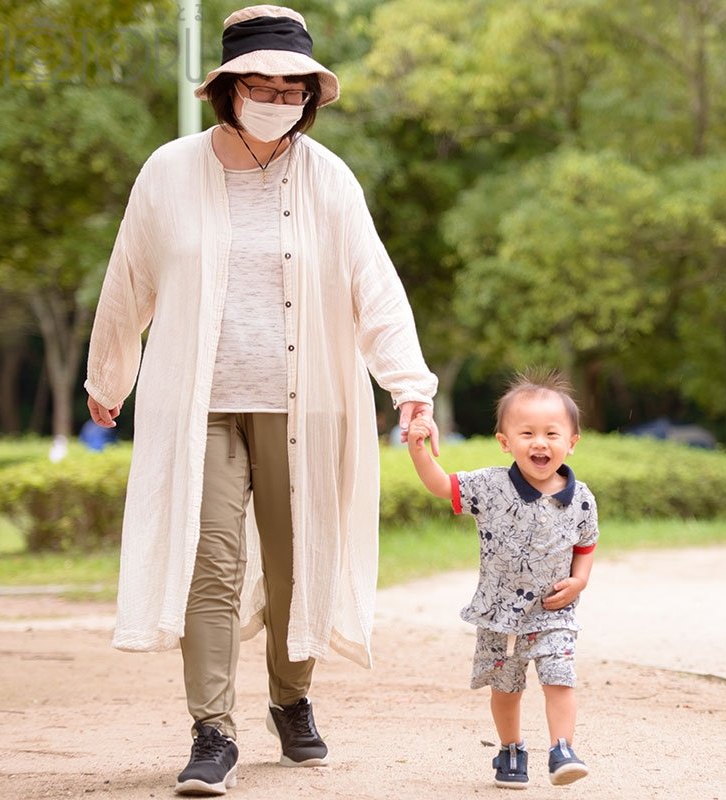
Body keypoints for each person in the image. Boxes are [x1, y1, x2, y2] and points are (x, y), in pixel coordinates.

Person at [82, 5, 437, 795]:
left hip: (305, 404)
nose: (277, 97)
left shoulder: (329, 179)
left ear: (310, 96)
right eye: (261, 82)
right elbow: (127, 284)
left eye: (291, 86)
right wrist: (108, 379)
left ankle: (291, 697)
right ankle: (212, 731)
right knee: (210, 562)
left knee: (295, 563)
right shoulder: (168, 171)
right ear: (227, 87)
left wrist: (410, 389)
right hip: (197, 402)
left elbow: (373, 290)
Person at [406, 370, 597, 788]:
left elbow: (586, 544)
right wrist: (419, 450)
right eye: (526, 433)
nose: (540, 443)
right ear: (505, 441)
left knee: (559, 677)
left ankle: (562, 748)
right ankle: (511, 749)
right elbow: (441, 485)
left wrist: (579, 582)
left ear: (571, 441)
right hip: (500, 616)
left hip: (553, 612)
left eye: (551, 433)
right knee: (506, 688)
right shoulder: (490, 486)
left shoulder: (581, 498)